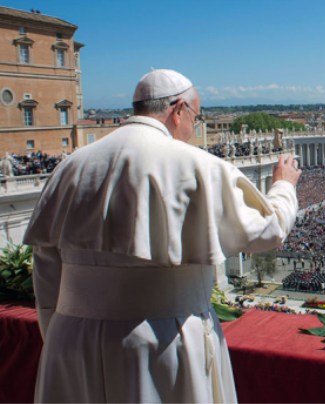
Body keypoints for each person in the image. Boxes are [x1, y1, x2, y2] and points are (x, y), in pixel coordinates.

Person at [23, 69, 301, 404]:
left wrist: (60, 333)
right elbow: (269, 231)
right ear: (179, 109)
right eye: (195, 118)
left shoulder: (70, 167)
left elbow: (47, 269)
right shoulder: (199, 166)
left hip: (70, 342)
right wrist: (284, 185)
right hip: (162, 340)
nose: (193, 127)